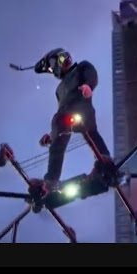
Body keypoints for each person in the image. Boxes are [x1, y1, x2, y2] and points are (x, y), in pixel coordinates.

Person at [34, 48, 112, 196]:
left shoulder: (81, 67)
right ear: (55, 67)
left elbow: (91, 74)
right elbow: (61, 110)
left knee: (91, 132)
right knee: (61, 132)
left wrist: (88, 86)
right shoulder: (59, 90)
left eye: (67, 57)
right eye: (62, 60)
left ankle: (104, 159)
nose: (67, 61)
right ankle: (52, 180)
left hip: (83, 108)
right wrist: (52, 136)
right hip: (67, 114)